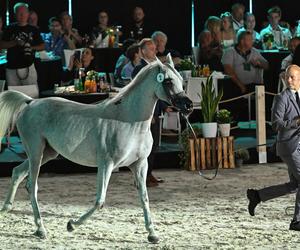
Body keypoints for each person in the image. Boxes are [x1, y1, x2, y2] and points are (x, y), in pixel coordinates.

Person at [247, 65, 300, 232]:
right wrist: (296, 122)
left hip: (298, 145)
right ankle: (296, 222)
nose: (289, 80)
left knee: (295, 186)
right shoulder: (281, 98)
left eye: (292, 77)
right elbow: (276, 125)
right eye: (287, 77)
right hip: (288, 146)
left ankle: (258, 195)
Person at [132, 38, 172, 187]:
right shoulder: (139, 69)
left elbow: (157, 92)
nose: (155, 51)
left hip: (154, 111)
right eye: (151, 48)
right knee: (144, 147)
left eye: (155, 48)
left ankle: (148, 174)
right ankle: (142, 177)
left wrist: (163, 106)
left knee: (153, 145)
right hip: (144, 114)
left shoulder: (155, 68)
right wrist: (148, 114)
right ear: (142, 51)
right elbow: (141, 94)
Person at [0, 2, 45, 97]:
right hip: (12, 67)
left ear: (28, 14)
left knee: (32, 95)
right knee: (14, 96)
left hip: (28, 65)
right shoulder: (9, 28)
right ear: (15, 14)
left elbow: (42, 46)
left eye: (24, 12)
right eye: (19, 12)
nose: (22, 15)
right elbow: (2, 45)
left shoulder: (33, 29)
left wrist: (30, 47)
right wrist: (14, 42)